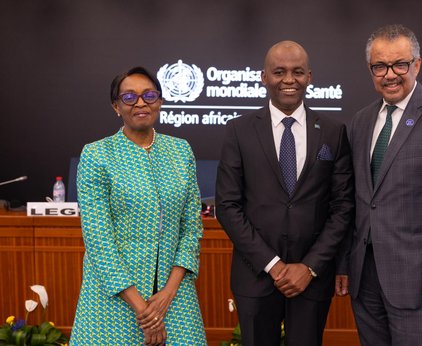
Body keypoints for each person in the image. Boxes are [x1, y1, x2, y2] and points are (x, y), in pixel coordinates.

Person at [336, 24, 422, 345]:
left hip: (418, 280)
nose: (390, 74)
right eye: (379, 66)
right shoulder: (361, 121)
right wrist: (344, 263)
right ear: (370, 69)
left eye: (400, 64)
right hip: (364, 277)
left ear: (417, 64)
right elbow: (356, 201)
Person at [215, 41, 354, 346]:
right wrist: (273, 265)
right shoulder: (238, 131)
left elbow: (343, 206)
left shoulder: (333, 131)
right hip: (256, 276)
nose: (289, 80)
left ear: (310, 76)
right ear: (264, 77)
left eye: (297, 72)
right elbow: (227, 206)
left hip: (312, 279)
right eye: (279, 72)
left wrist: (310, 266)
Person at [70, 66, 206, 345]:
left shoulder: (180, 151)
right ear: (116, 107)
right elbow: (98, 240)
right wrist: (144, 311)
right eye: (129, 97)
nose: (141, 103)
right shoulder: (97, 155)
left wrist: (167, 295)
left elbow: (191, 228)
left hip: (173, 295)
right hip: (114, 297)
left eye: (149, 95)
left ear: (160, 101)